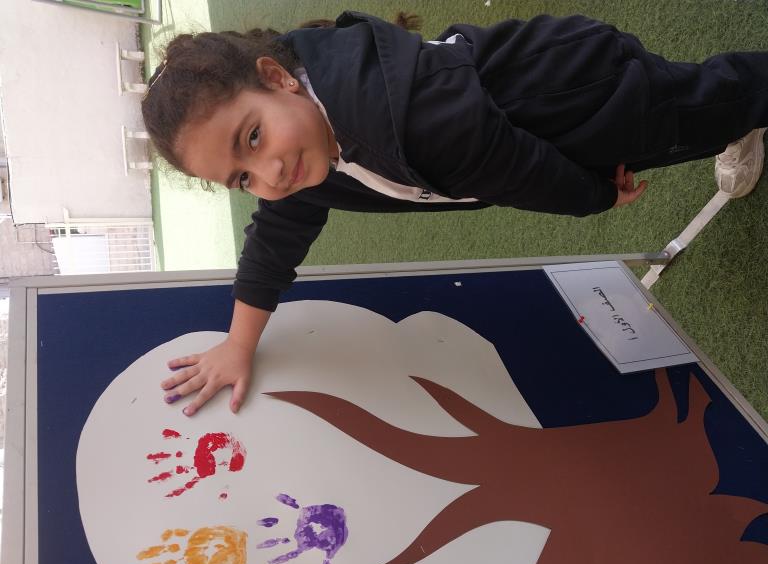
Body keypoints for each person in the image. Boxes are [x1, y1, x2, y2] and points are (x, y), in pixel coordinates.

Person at [141, 11, 768, 416]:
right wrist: (239, 343)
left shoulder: (399, 116)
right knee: (696, 113)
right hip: (555, 130)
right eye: (242, 177)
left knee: (705, 105)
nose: (269, 173)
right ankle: (731, 118)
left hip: (586, 94)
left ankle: (742, 109)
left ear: (277, 78)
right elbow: (274, 237)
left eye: (252, 138)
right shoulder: (303, 149)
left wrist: (596, 193)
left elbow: (516, 169)